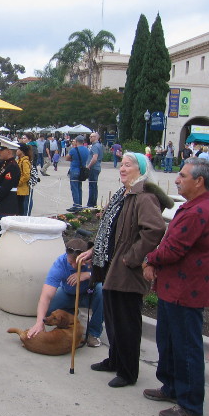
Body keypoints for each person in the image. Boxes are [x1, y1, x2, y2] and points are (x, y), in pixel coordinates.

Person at [77, 152, 171, 388]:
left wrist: (132, 257)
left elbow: (154, 230)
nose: (122, 168)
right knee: (113, 317)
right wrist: (93, 249)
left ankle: (128, 372)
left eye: (128, 165)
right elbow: (110, 229)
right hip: (111, 265)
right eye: (121, 164)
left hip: (126, 268)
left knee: (127, 321)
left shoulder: (144, 195)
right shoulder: (124, 193)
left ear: (140, 169)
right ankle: (114, 360)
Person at [142, 157, 209, 416]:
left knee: (186, 347)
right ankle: (171, 387)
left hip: (186, 290)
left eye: (182, 175)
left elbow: (173, 249)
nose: (177, 179)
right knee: (169, 341)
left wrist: (150, 259)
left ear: (199, 181)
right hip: (174, 287)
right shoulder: (194, 206)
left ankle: (190, 405)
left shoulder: (198, 211)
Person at [26, 238, 103, 347]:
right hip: (69, 294)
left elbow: (111, 277)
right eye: (70, 262)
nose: (74, 267)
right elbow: (46, 296)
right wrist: (39, 323)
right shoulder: (60, 263)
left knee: (102, 290)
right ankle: (71, 316)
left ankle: (94, 333)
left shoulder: (95, 261)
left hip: (89, 295)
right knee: (48, 314)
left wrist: (88, 275)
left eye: (77, 263)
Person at [66, 135, 89, 212]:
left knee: (74, 188)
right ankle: (79, 204)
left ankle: (76, 205)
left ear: (76, 141)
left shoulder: (74, 150)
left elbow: (67, 158)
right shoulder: (86, 150)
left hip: (74, 169)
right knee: (79, 188)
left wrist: (73, 159)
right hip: (82, 170)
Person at [86, 132, 104, 208]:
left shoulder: (95, 146)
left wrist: (89, 166)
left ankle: (91, 204)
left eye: (91, 137)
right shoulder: (98, 145)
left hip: (93, 168)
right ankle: (93, 203)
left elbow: (95, 157)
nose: (90, 138)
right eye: (90, 137)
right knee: (94, 185)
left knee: (92, 185)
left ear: (96, 137)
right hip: (96, 167)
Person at [16, 143, 32, 216]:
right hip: (18, 188)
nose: (16, 151)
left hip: (22, 188)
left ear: (22, 151)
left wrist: (18, 182)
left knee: (20, 207)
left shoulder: (25, 161)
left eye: (18, 149)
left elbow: (26, 175)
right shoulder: (19, 160)